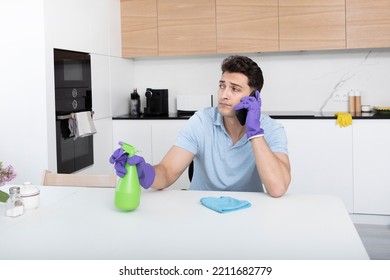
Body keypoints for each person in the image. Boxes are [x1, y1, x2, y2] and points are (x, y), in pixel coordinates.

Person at [110, 55, 291, 197]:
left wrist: (255, 133)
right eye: (222, 86)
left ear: (254, 98)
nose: (224, 94)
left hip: (249, 210)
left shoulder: (272, 129)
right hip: (202, 207)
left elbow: (277, 188)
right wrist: (142, 171)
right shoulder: (201, 121)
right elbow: (167, 172)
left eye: (235, 89)